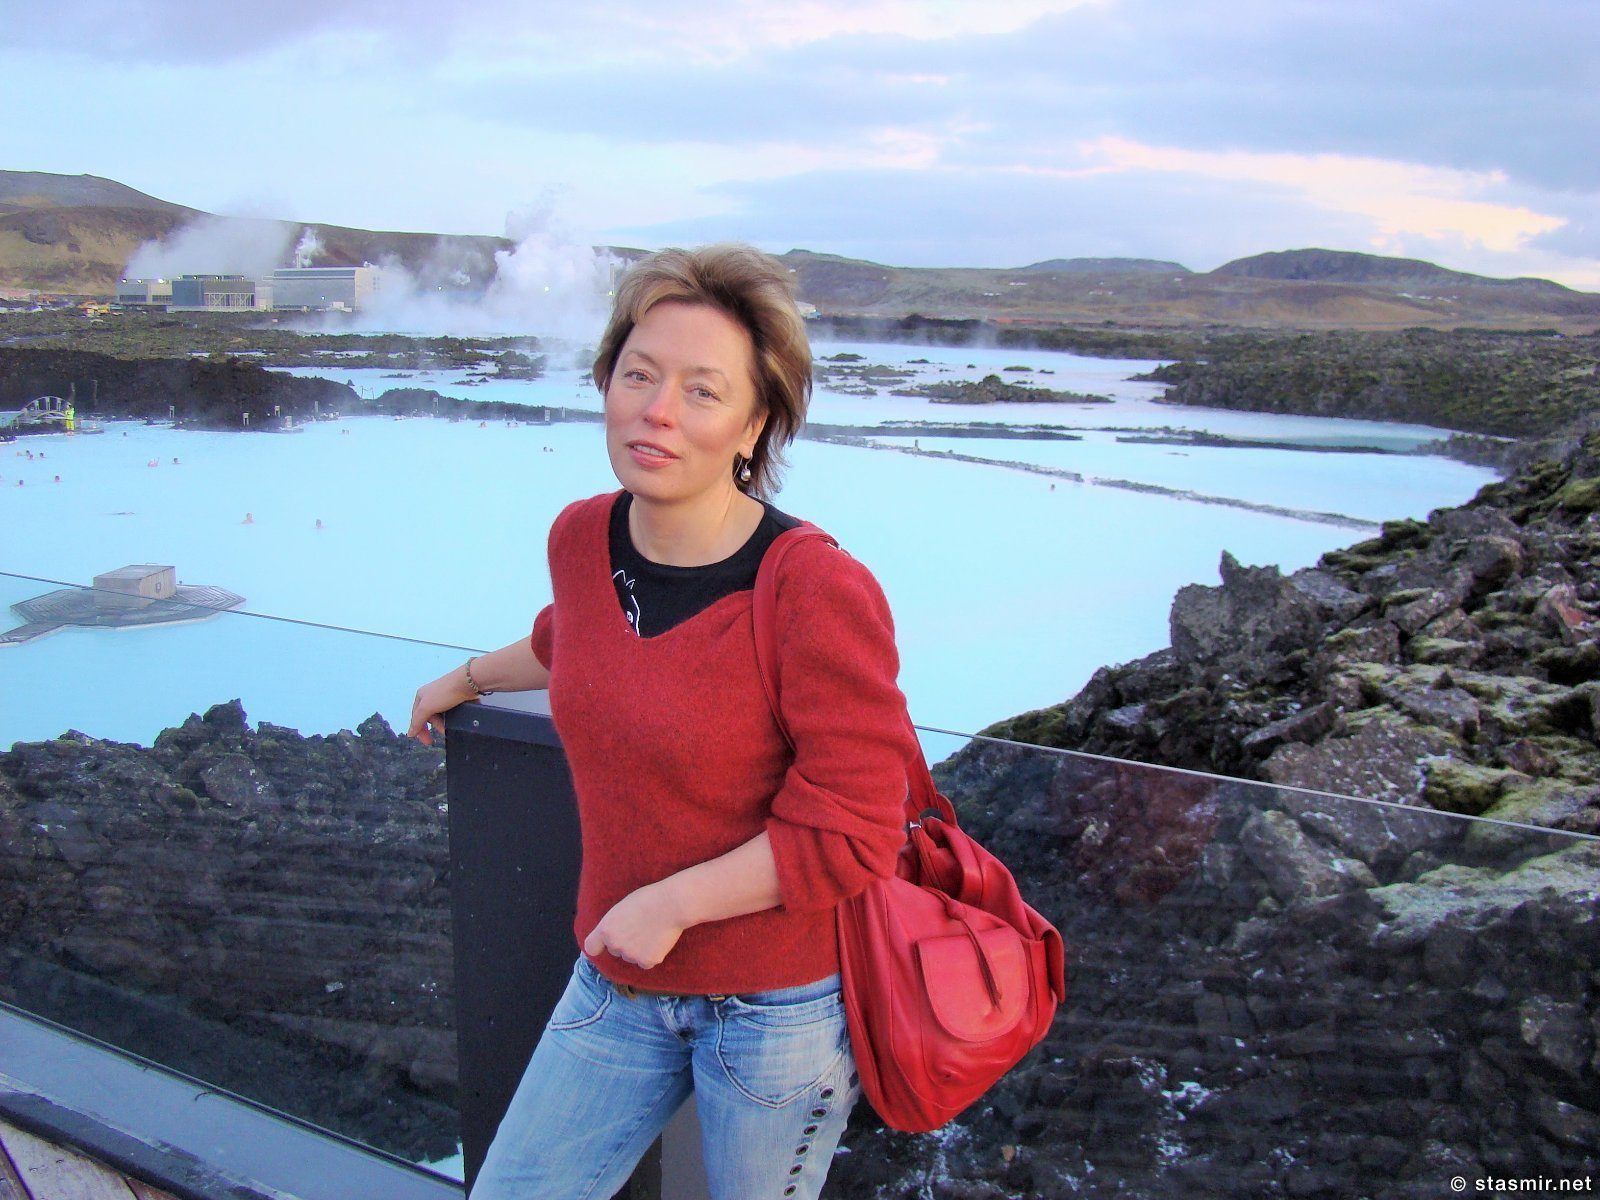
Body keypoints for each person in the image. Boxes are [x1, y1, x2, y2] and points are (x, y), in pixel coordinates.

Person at [408, 244, 916, 1200]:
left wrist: (671, 904)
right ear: (606, 381)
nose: (658, 410)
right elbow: (576, 638)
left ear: (754, 425)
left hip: (775, 1011)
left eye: (702, 390)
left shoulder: (815, 589)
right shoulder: (581, 535)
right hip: (620, 977)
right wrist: (466, 678)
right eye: (638, 375)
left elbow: (856, 829)